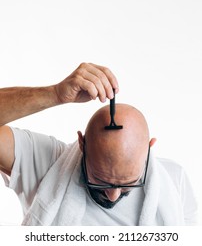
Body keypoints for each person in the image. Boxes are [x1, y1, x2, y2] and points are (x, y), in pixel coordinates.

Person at [0, 62, 198, 225]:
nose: (112, 196)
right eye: (99, 180)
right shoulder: (48, 163)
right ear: (82, 144)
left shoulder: (174, 180)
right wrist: (55, 94)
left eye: (128, 184)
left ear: (149, 149)